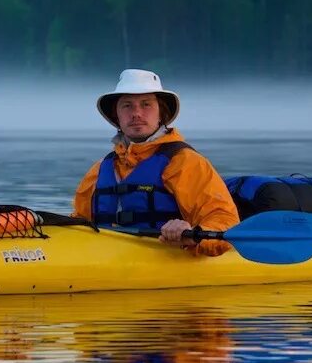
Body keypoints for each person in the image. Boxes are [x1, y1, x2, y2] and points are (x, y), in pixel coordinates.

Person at [73, 69, 239, 256]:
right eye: (127, 106)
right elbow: (77, 224)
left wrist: (192, 232)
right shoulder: (99, 170)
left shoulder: (185, 163)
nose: (136, 113)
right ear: (116, 116)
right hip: (108, 259)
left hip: (171, 258)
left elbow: (225, 221)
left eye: (146, 105)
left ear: (161, 113)